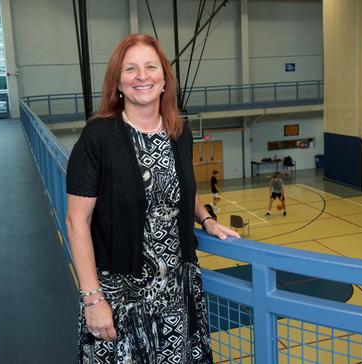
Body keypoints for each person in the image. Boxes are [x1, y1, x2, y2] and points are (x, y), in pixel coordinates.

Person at [65, 33, 239, 364]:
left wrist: (207, 219)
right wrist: (92, 300)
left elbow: (182, 187)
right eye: (130, 69)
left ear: (164, 81)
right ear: (118, 83)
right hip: (120, 296)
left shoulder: (179, 132)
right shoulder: (98, 137)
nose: (141, 76)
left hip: (177, 293)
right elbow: (77, 221)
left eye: (150, 67)